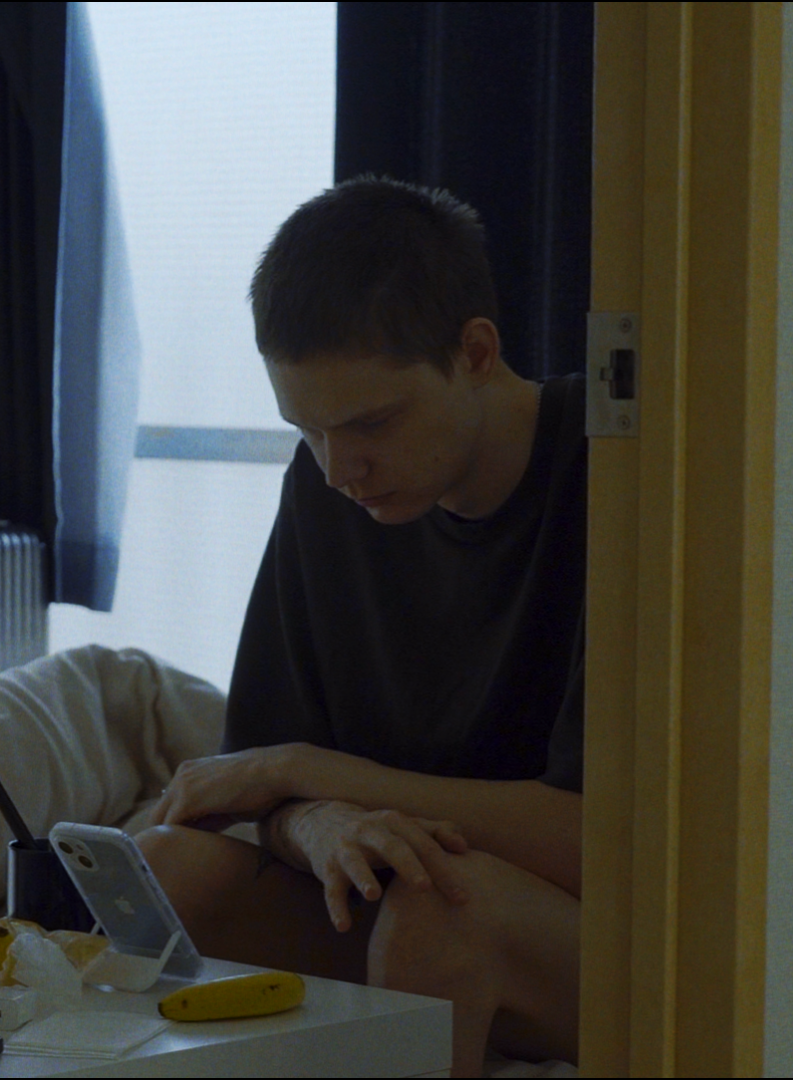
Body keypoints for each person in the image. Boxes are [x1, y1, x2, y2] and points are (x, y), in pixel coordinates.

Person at [138, 177, 584, 1078]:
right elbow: (256, 791)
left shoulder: (610, 467)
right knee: (170, 870)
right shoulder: (328, 491)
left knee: (440, 903)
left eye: (371, 423)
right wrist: (318, 821)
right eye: (306, 431)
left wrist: (312, 774)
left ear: (476, 352)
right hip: (406, 899)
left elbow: (600, 839)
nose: (341, 469)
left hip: (575, 926)